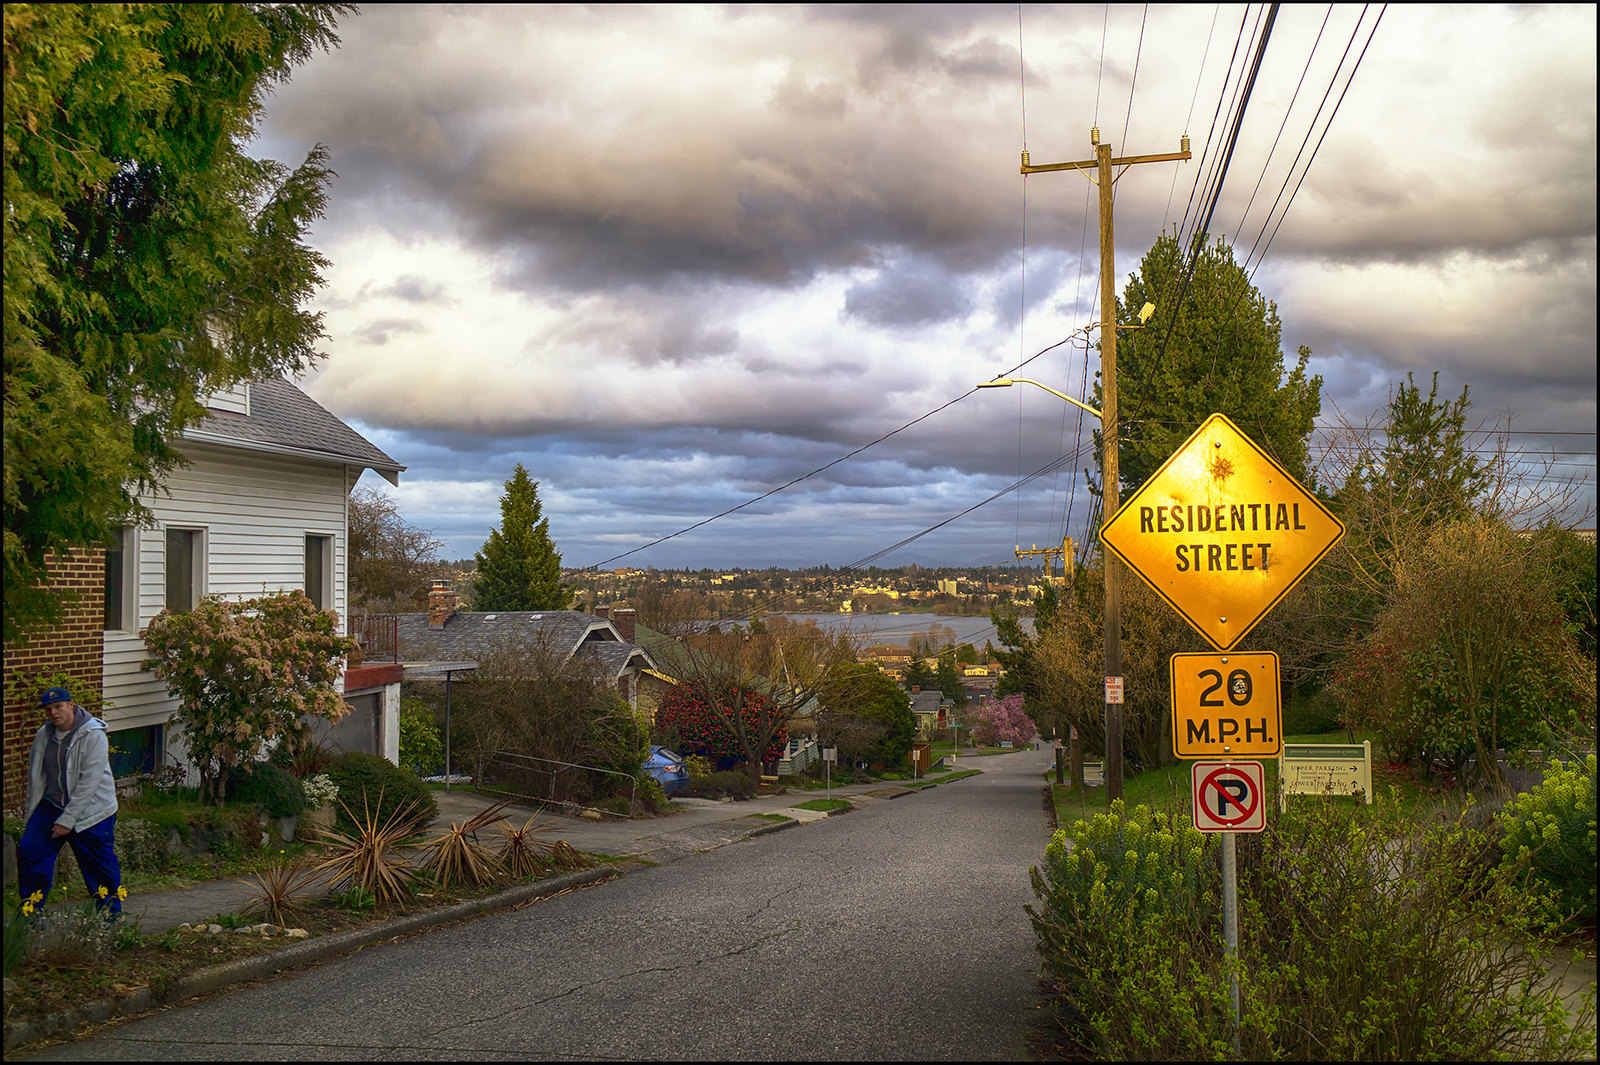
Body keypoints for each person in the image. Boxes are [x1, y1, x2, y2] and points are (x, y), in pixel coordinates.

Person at [18, 686, 124, 917]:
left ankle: (109, 917)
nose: (54, 713)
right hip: (52, 805)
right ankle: (31, 912)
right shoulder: (44, 735)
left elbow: (90, 782)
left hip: (93, 812)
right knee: (30, 850)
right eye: (49, 709)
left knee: (99, 868)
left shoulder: (93, 735)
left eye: (58, 706)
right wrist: (32, 814)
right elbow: (36, 777)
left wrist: (68, 819)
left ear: (71, 705)